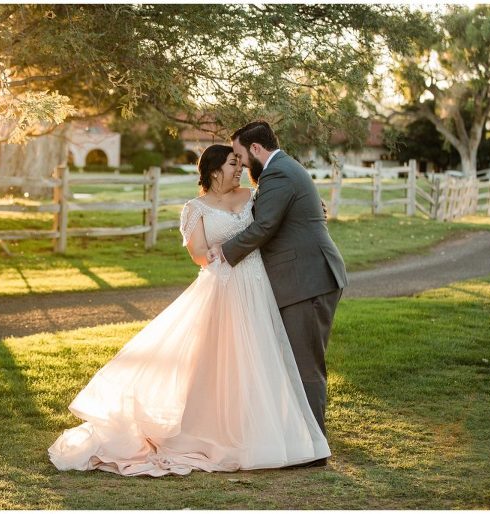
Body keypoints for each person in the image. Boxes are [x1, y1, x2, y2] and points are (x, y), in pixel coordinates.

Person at [48, 144, 330, 477]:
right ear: (214, 170)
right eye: (232, 164)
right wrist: (215, 253)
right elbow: (197, 253)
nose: (239, 169)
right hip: (224, 288)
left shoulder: (252, 197)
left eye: (239, 163)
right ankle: (211, 429)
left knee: (261, 355)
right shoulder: (195, 208)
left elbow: (274, 220)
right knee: (218, 360)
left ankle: (264, 428)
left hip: (257, 284)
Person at [207, 122, 348, 466]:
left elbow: (265, 226)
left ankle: (314, 449)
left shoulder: (278, 174)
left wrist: (225, 251)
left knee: (305, 366)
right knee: (295, 363)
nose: (240, 165)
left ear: (256, 149)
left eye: (240, 156)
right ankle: (301, 439)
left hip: (307, 280)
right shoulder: (284, 170)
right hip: (304, 277)